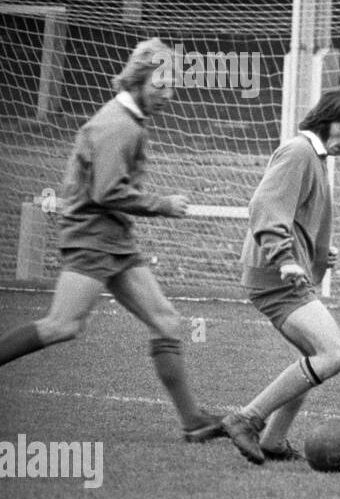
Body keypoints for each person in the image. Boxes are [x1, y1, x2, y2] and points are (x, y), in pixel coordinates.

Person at [0, 38, 225, 442]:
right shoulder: (117, 125)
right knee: (63, 325)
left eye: (173, 85)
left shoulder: (129, 120)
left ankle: (194, 422)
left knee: (166, 321)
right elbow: (106, 192)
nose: (168, 94)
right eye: (161, 84)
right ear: (139, 79)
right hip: (91, 238)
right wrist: (163, 204)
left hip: (115, 238)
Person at [221, 91, 340, 464]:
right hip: (276, 276)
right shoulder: (299, 152)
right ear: (324, 120)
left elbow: (296, 215)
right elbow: (266, 206)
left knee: (311, 359)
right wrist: (285, 258)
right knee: (334, 355)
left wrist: (319, 253)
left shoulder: (315, 158)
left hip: (282, 272)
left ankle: (273, 440)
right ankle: (247, 419)